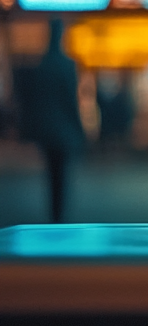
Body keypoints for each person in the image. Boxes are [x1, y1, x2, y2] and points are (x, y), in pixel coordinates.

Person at [13, 18, 86, 223]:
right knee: (61, 173)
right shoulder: (66, 65)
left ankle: (54, 214)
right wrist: (79, 128)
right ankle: (59, 214)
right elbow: (71, 100)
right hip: (62, 130)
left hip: (47, 130)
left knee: (52, 173)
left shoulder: (42, 65)